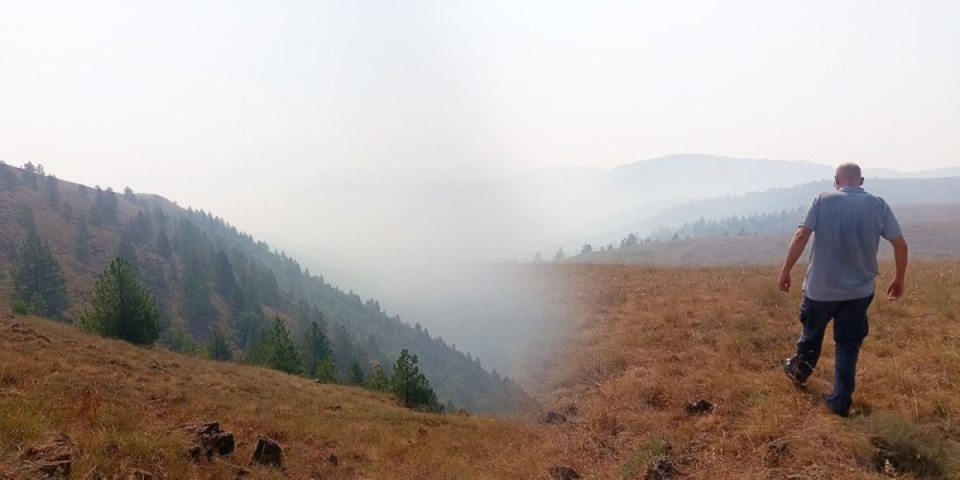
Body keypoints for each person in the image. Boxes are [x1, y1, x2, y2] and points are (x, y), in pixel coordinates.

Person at [777, 162, 908, 417]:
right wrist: (899, 278)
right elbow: (900, 245)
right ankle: (839, 402)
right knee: (848, 345)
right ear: (861, 180)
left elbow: (802, 235)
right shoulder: (878, 205)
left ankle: (799, 373)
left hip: (820, 289)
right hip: (859, 291)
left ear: (836, 180)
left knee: (812, 334)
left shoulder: (822, 200)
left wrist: (786, 270)